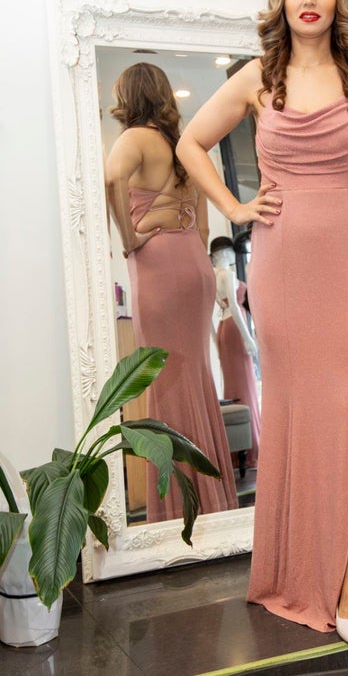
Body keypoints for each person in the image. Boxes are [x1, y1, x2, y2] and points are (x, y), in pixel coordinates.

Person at [176, 0, 348, 642]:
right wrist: (236, 207)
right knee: (301, 417)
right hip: (282, 271)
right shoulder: (260, 77)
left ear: (338, 1)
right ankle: (297, 564)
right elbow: (193, 143)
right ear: (282, 2)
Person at [104, 62, 238, 522]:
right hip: (192, 266)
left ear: (129, 96)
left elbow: (111, 178)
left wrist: (129, 239)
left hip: (158, 266)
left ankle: (180, 509)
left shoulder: (134, 139)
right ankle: (211, 500)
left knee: (164, 380)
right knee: (196, 379)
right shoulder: (184, 146)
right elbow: (201, 227)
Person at [210, 236, 261, 470]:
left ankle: (239, 449)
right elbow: (235, 308)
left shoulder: (212, 278)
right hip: (234, 330)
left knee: (235, 389)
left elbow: (211, 316)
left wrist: (216, 340)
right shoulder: (227, 275)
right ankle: (251, 449)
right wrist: (248, 338)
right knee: (245, 386)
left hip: (223, 329)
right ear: (225, 254)